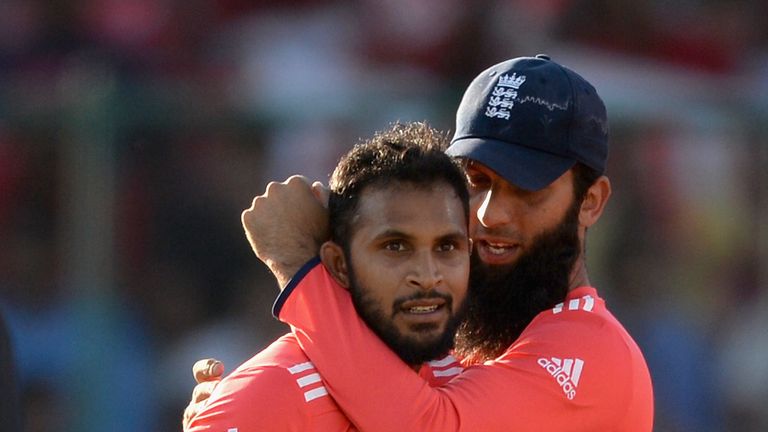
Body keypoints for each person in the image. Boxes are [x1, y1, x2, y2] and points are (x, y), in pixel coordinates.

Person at [235, 55, 654, 431]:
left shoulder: (598, 357)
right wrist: (243, 405)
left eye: (528, 189)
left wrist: (297, 267)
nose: (491, 214)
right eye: (477, 181)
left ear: (591, 202)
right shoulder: (450, 336)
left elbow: (427, 426)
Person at [184, 122, 473, 430]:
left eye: (446, 246)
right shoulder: (266, 396)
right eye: (396, 246)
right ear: (339, 264)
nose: (428, 276)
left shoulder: (479, 374)